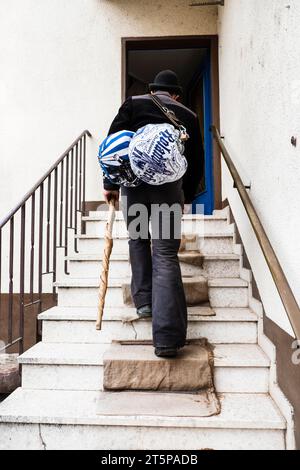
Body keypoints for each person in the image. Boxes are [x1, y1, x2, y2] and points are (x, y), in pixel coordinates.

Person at [103, 70, 203, 357]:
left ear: (153, 89)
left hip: (133, 188)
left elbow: (114, 145)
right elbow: (195, 164)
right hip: (168, 191)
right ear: (175, 95)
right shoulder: (188, 116)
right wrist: (186, 197)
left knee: (137, 240)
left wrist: (110, 184)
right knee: (165, 254)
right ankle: (167, 339)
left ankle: (144, 302)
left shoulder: (133, 103)